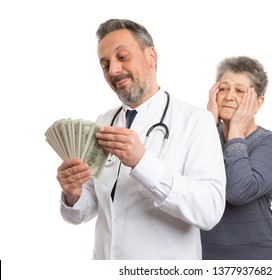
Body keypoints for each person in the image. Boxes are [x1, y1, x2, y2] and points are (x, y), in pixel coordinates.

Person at [56, 19, 226, 260]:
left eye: (122, 56)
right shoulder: (104, 121)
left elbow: (209, 210)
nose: (113, 70)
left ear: (151, 57)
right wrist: (73, 193)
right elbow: (89, 207)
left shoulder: (196, 121)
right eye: (105, 65)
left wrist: (142, 162)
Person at [201, 56, 272, 260]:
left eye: (239, 91)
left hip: (252, 258)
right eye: (223, 88)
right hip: (201, 254)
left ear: (257, 103)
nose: (229, 96)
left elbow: (238, 191)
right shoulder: (203, 135)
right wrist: (206, 126)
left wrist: (236, 129)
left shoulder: (270, 142)